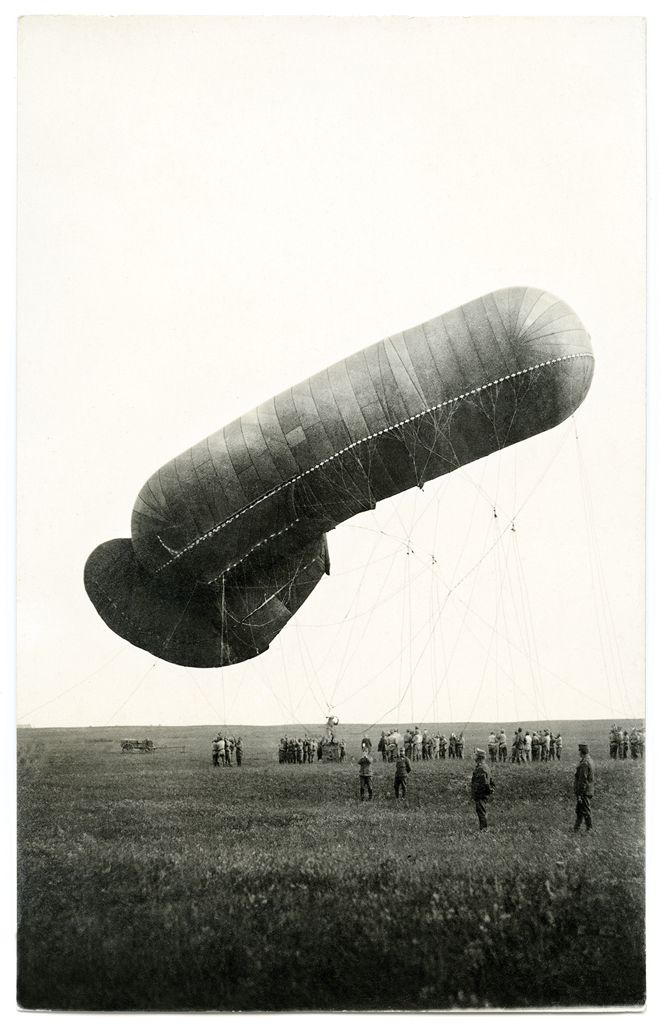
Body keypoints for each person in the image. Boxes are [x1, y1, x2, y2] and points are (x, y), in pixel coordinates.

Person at [573, 743, 595, 832]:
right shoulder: (589, 760)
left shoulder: (584, 763)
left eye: (579, 751)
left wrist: (579, 793)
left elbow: (582, 780)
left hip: (584, 791)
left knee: (585, 810)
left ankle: (589, 829)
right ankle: (576, 828)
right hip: (587, 790)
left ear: (581, 752)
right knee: (579, 810)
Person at [471, 749, 494, 831]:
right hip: (481, 793)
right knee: (481, 811)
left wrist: (479, 792)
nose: (474, 756)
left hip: (481, 794)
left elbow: (485, 783)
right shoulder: (484, 766)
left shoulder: (481, 768)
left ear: (479, 757)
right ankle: (483, 828)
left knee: (481, 812)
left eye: (475, 755)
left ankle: (484, 829)